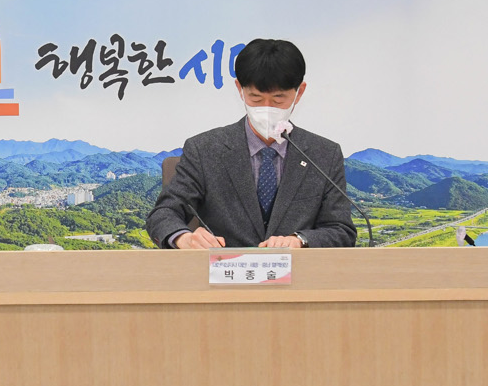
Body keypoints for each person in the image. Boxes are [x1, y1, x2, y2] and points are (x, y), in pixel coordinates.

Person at [147, 38, 356, 250]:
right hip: (223, 267)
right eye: (256, 99)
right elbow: (164, 213)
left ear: (299, 92)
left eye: (278, 99)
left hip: (298, 269)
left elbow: (341, 230)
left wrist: (300, 240)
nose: (267, 108)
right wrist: (183, 238)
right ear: (240, 88)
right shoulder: (204, 149)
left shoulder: (324, 154)